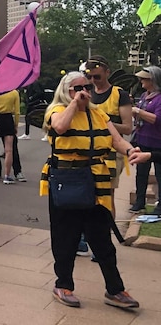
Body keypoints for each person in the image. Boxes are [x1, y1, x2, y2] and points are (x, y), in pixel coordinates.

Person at [42, 71, 140, 309]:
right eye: (77, 88)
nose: (84, 91)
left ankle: (115, 289)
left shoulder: (98, 114)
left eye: (87, 86)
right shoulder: (57, 110)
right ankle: (63, 284)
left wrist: (130, 151)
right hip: (67, 179)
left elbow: (116, 139)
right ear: (66, 91)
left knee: (101, 238)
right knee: (66, 237)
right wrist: (74, 104)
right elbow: (61, 127)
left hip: (95, 181)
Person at [84, 56, 133, 214]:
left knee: (107, 194)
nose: (93, 80)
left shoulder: (119, 94)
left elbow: (127, 128)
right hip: (88, 150)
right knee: (88, 193)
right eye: (89, 77)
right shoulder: (87, 93)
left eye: (97, 76)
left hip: (111, 152)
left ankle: (108, 231)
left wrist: (105, 123)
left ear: (107, 73)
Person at [130, 66, 161, 213]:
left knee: (160, 175)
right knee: (141, 174)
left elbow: (156, 119)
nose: (141, 81)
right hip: (142, 140)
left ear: (153, 80)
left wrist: (138, 111)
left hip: (157, 142)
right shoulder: (144, 96)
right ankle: (139, 202)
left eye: (145, 79)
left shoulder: (159, 98)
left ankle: (160, 205)